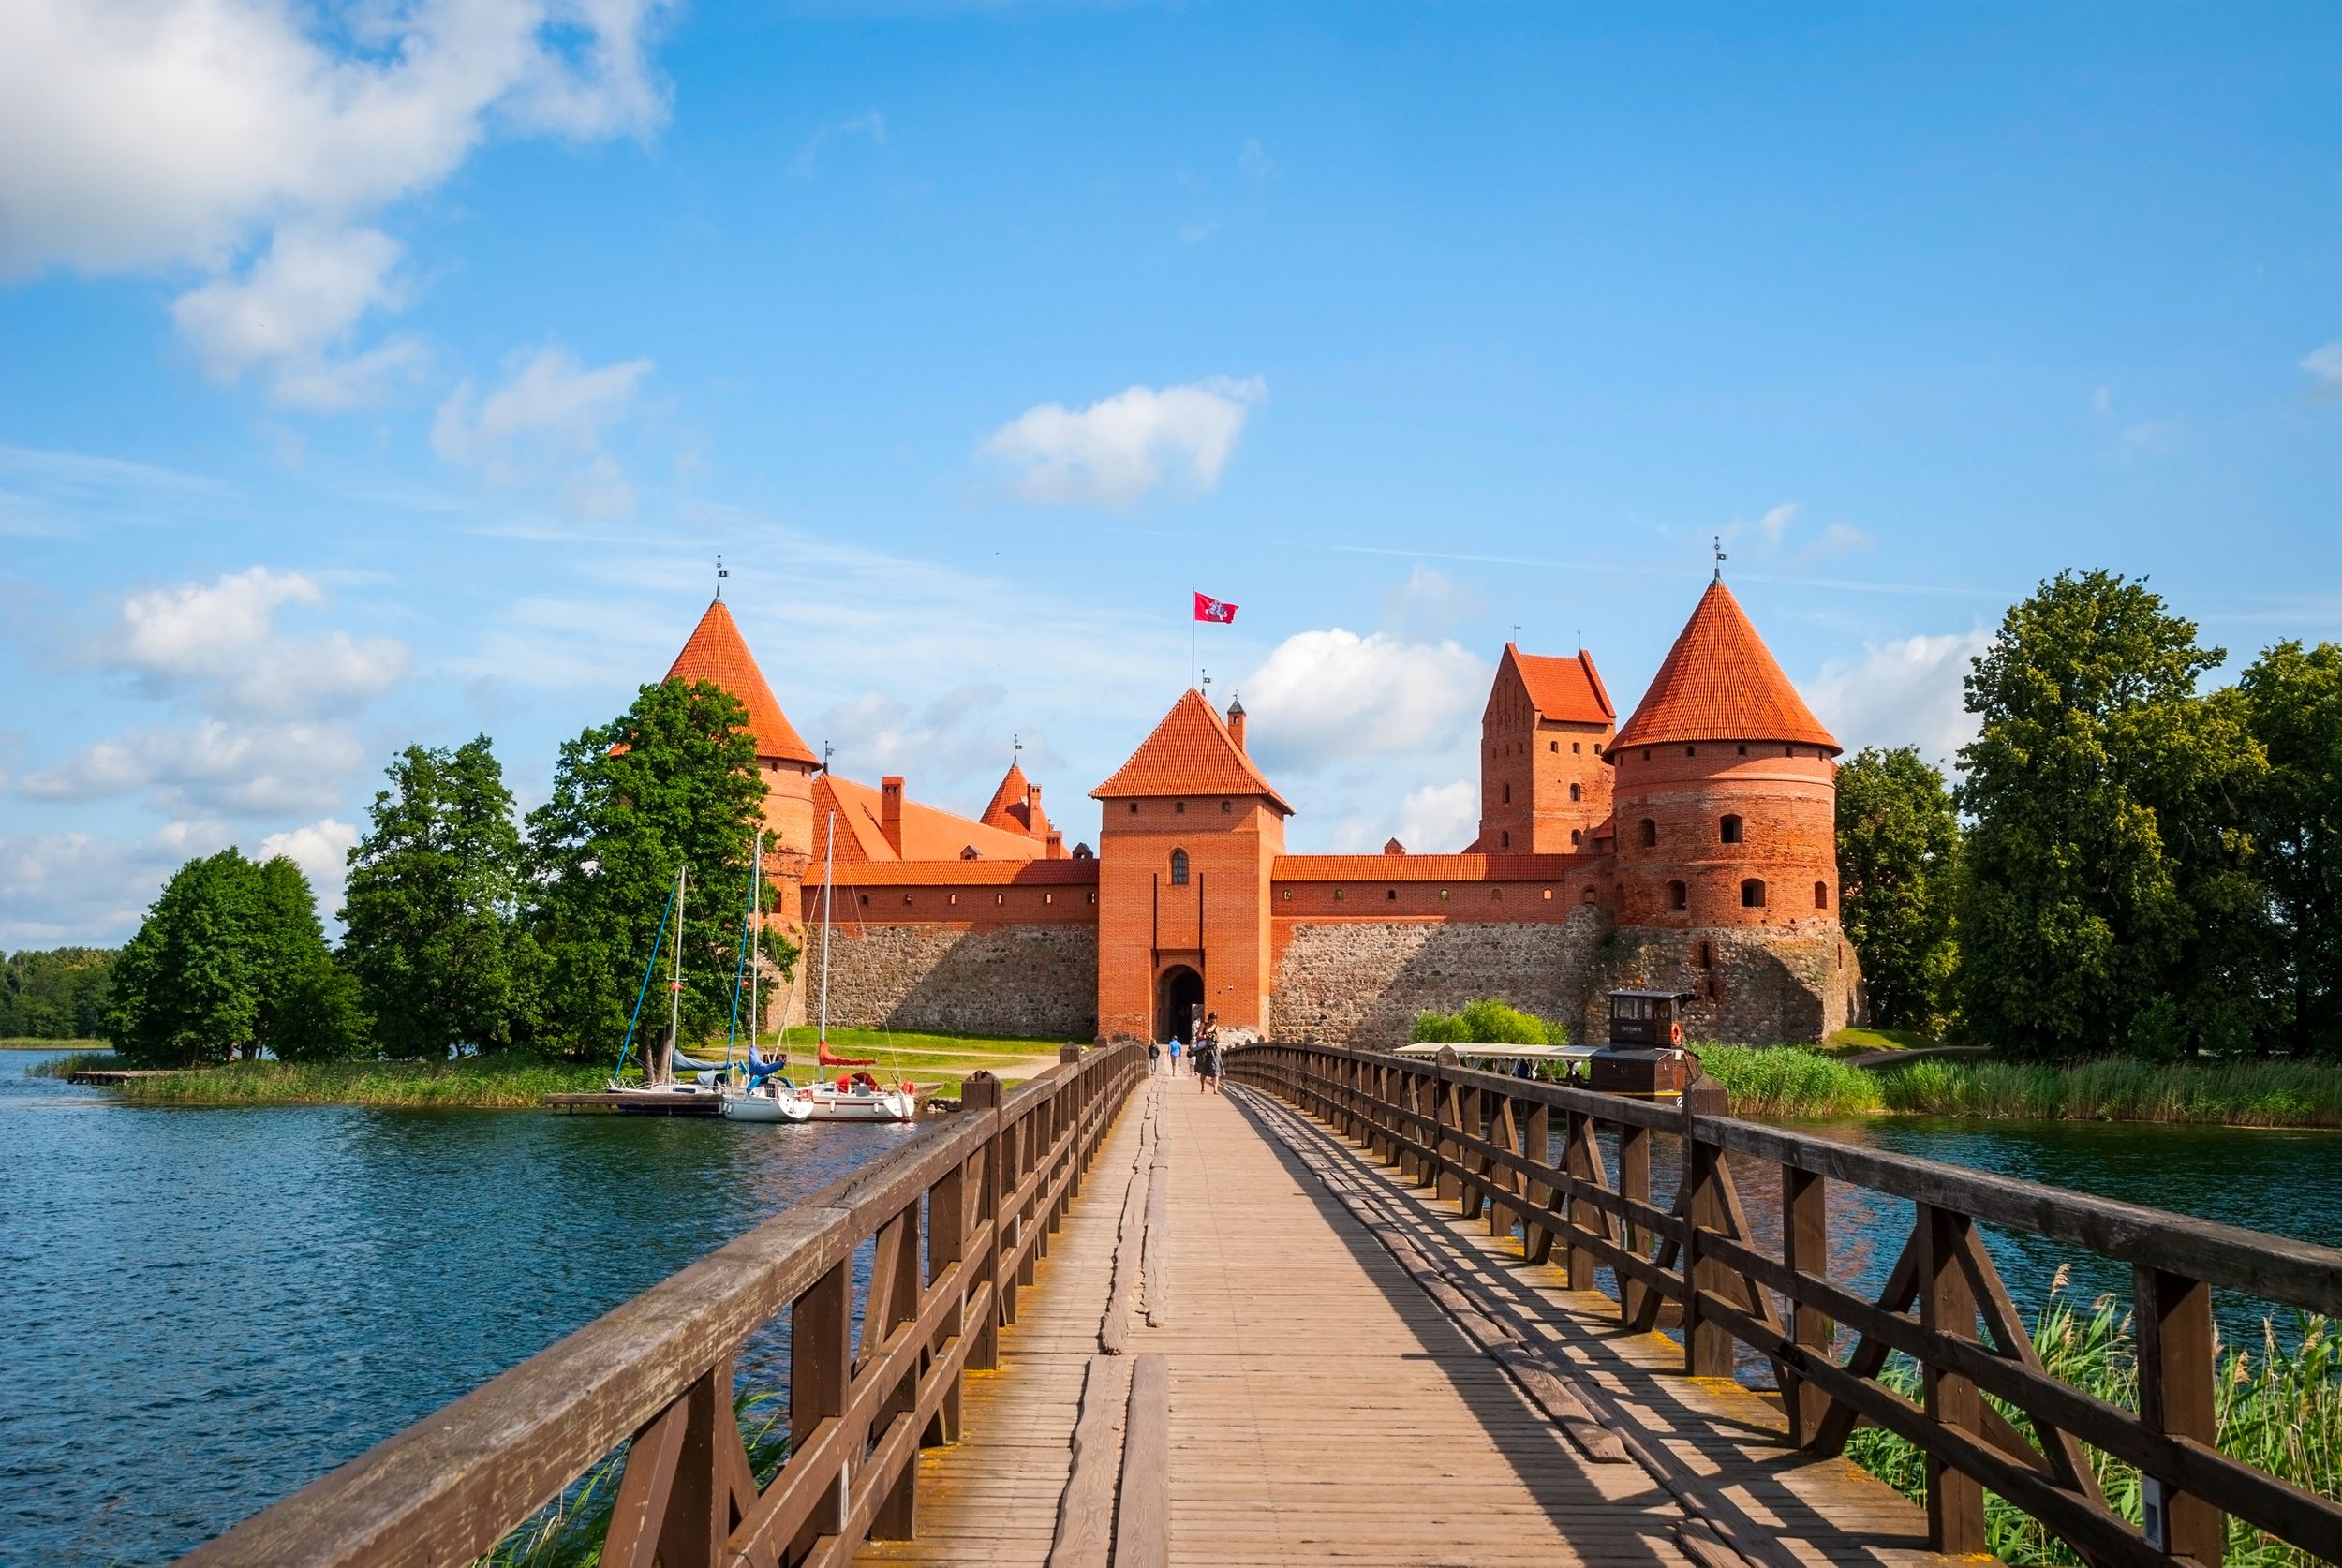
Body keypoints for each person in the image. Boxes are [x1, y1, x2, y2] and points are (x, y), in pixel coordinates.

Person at [1195, 1030, 1221, 1094]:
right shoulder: (1202, 1027)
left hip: (1214, 1051)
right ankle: (1203, 1088)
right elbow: (1197, 1036)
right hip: (1203, 1051)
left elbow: (1218, 1039)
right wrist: (1204, 1036)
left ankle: (1215, 1089)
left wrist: (1214, 1037)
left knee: (1215, 1070)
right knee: (1203, 1071)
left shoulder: (1216, 1028)